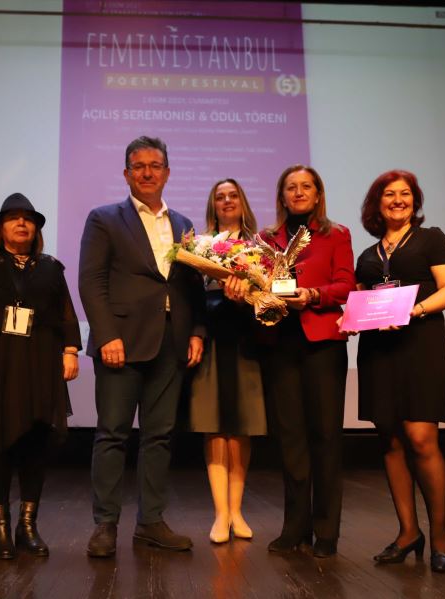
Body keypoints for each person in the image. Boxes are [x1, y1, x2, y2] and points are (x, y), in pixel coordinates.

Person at [79, 135, 206, 557]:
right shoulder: (104, 218)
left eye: (155, 166)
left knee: (160, 436)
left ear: (167, 173)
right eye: (139, 166)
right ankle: (105, 525)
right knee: (112, 434)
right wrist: (106, 334)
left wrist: (197, 331)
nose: (147, 172)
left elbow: (192, 286)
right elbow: (91, 281)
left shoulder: (184, 224)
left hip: (171, 342)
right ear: (126, 173)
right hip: (121, 342)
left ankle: (151, 521)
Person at [0, 192, 82, 559]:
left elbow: (66, 314)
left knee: (36, 445)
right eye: (13, 218)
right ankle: (0, 528)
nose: (22, 223)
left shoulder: (51, 267)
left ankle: (27, 526)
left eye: (28, 218)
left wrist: (70, 351)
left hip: (41, 364)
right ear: (0, 228)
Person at [352, 170, 445, 573]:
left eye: (405, 194)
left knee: (421, 438)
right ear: (377, 204)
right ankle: (407, 532)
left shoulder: (432, 239)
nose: (398, 200)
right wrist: (352, 319)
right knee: (391, 441)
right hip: (378, 352)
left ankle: (440, 535)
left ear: (415, 201)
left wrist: (414, 310)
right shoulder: (367, 255)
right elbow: (361, 300)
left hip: (421, 345)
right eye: (389, 194)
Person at [250, 165, 355, 558]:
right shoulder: (266, 239)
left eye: (305, 186)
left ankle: (326, 530)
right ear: (282, 195)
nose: (298, 192)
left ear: (317, 194)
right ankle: (295, 526)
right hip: (280, 343)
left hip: (322, 344)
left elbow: (346, 284)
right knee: (291, 439)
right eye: (291, 187)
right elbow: (257, 284)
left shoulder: (336, 234)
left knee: (325, 437)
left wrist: (312, 295)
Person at [188, 179, 267, 544]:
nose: (227, 201)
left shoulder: (260, 246)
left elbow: (269, 295)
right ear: (213, 205)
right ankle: (221, 513)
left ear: (242, 202)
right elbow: (191, 299)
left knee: (241, 427)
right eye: (219, 197)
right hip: (212, 340)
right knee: (215, 427)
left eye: (233, 195)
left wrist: (248, 293)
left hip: (246, 341)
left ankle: (237, 510)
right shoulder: (199, 247)